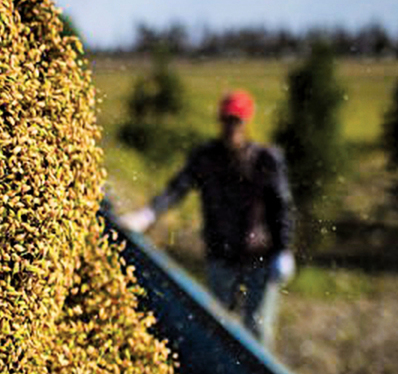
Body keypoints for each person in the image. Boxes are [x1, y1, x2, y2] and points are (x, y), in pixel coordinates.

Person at [120, 90, 296, 348]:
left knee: (257, 330)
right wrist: (148, 214)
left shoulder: (265, 160)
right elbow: (177, 188)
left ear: (246, 123)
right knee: (219, 329)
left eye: (236, 121)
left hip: (260, 258)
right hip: (220, 257)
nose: (230, 127)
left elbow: (281, 206)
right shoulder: (206, 158)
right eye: (226, 120)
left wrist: (284, 249)